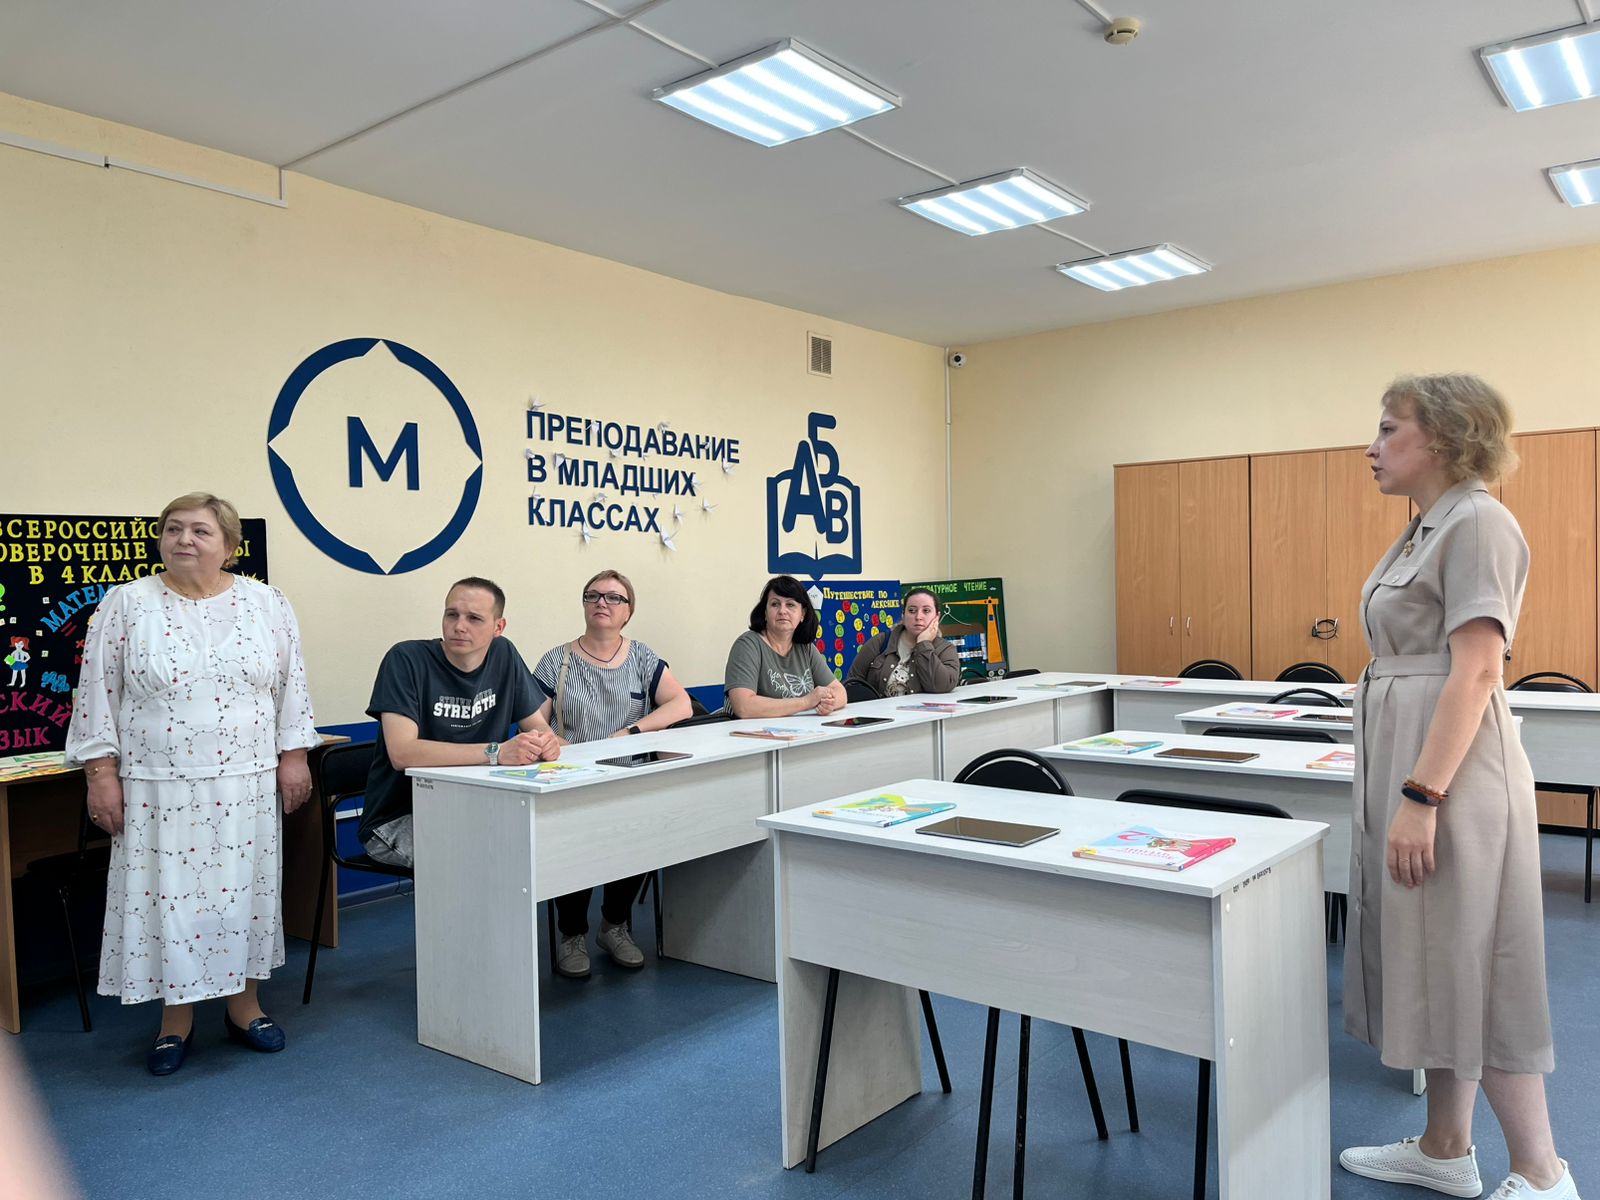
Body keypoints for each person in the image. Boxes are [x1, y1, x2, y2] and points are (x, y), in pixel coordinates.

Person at [1340, 376, 1581, 1200]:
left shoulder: (1478, 520)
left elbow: (1477, 669)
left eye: (1388, 429)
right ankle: (1445, 1148)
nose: (1371, 447)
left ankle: (1542, 1173)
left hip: (1452, 778)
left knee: (1480, 961)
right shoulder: (1426, 527)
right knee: (1441, 955)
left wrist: (1422, 797)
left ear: (1442, 437)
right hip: (1419, 763)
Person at [66, 493, 319, 1075]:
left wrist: (295, 759)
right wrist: (100, 775)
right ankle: (174, 1020)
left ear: (229, 546)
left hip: (247, 783)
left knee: (243, 897)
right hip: (159, 788)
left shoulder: (267, 603)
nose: (184, 539)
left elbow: (291, 688)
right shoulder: (127, 603)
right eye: (173, 529)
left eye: (200, 531)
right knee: (170, 904)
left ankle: (245, 1007)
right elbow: (97, 694)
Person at [530, 570, 692, 978]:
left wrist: (632, 732)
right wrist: (554, 742)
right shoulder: (557, 661)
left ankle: (614, 927)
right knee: (575, 852)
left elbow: (681, 704)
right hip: (573, 778)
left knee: (633, 842)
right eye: (594, 595)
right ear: (584, 604)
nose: (602, 603)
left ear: (628, 611)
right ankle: (571, 935)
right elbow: (531, 718)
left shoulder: (642, 658)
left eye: (614, 597)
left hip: (629, 775)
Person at [360, 577, 558, 870]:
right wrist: (496, 752)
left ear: (498, 627)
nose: (459, 626)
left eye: (474, 618)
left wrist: (545, 742)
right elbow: (402, 753)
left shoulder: (504, 655)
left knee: (543, 845)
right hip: (401, 817)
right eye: (451, 614)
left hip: (478, 809)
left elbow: (538, 727)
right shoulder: (405, 659)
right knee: (489, 858)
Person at [724, 576, 847, 719]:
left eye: (790, 605)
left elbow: (841, 692)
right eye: (775, 604)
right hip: (752, 732)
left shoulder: (806, 648)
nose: (782, 611)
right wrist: (806, 702)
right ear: (765, 612)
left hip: (800, 730)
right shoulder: (747, 645)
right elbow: (744, 707)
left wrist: (829, 703)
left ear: (802, 614)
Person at [845, 588, 959, 697]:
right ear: (903, 615)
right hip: (881, 711)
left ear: (937, 617)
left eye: (926, 611)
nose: (918, 617)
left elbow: (942, 686)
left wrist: (924, 643)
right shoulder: (880, 642)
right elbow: (852, 683)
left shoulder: (945, 649)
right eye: (912, 611)